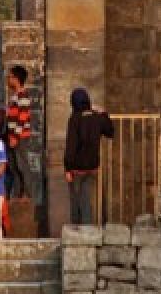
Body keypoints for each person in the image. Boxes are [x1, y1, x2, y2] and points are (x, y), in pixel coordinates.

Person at [63, 87, 115, 225]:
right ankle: (88, 230)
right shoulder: (97, 117)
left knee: (76, 202)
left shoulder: (74, 119)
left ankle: (78, 232)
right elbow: (110, 132)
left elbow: (71, 145)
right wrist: (104, 113)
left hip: (76, 168)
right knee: (87, 199)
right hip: (92, 167)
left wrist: (67, 168)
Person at [5, 65, 34, 201]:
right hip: (12, 137)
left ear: (17, 79)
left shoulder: (23, 95)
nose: (8, 80)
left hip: (20, 137)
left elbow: (22, 118)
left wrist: (15, 136)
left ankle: (27, 193)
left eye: (10, 77)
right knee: (14, 166)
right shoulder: (15, 96)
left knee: (22, 165)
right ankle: (18, 193)